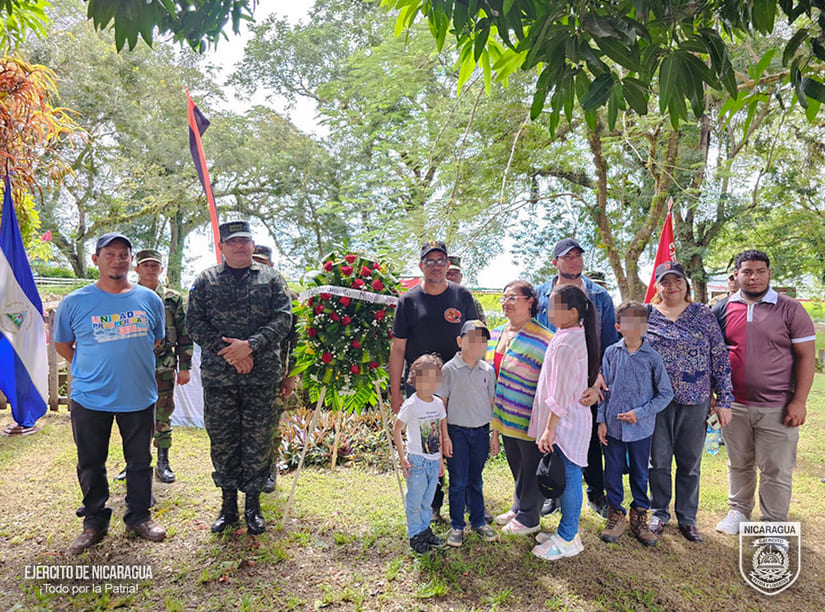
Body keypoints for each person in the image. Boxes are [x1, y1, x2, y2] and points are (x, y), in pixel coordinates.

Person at [54, 232, 167, 554]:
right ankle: (94, 521)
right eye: (110, 254)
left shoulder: (149, 300)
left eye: (124, 254)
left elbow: (155, 339)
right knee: (90, 462)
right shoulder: (75, 302)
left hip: (139, 395)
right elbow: (63, 344)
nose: (118, 259)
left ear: (131, 260)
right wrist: (92, 367)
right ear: (96, 260)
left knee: (140, 461)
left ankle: (139, 516)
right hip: (90, 397)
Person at [186, 221, 292, 535]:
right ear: (222, 247)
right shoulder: (205, 280)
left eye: (245, 241)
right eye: (233, 242)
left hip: (262, 377)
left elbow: (284, 319)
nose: (240, 246)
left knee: (259, 441)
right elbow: (195, 323)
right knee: (223, 441)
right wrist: (230, 353)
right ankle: (228, 505)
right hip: (221, 378)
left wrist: (251, 346)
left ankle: (253, 506)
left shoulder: (272, 279)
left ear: (251, 244)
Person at [712, 250, 815, 534]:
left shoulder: (790, 308)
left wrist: (799, 401)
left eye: (759, 271)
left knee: (776, 469)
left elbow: (806, 357)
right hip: (734, 405)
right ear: (736, 275)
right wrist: (715, 396)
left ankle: (773, 525)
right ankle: (738, 512)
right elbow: (712, 356)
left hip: (778, 406)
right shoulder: (721, 310)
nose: (753, 277)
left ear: (769, 273)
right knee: (739, 462)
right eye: (746, 272)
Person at [645, 261, 734, 543]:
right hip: (656, 402)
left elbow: (720, 358)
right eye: (665, 282)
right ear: (657, 286)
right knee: (657, 461)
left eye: (677, 281)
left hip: (695, 401)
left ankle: (687, 517)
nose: (672, 287)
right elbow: (625, 350)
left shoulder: (702, 314)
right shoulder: (645, 314)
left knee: (690, 462)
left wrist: (725, 400)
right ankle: (659, 512)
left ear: (686, 284)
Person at [390, 240, 477, 523]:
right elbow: (398, 349)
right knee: (429, 444)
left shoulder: (462, 296)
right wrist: (395, 392)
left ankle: (464, 500)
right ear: (421, 266)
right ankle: (433, 502)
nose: (437, 265)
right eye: (430, 261)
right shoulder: (408, 301)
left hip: (457, 382)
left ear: (448, 265)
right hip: (422, 385)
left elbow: (474, 340)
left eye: (441, 260)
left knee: (460, 439)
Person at [535, 238, 618, 516]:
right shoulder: (541, 295)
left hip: (585, 386)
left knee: (590, 440)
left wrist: (596, 381)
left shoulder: (599, 296)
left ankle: (595, 492)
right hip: (553, 381)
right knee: (551, 438)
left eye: (577, 256)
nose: (574, 261)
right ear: (554, 262)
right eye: (567, 256)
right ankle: (552, 492)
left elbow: (606, 344)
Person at [531, 284, 600, 560]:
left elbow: (558, 392)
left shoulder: (566, 342)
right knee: (570, 475)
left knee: (570, 478)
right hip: (571, 418)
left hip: (566, 422)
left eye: (554, 306)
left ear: (571, 312)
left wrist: (550, 428)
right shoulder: (572, 334)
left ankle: (568, 537)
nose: (547, 310)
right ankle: (567, 530)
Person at [597, 301, 673, 547]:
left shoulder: (653, 358)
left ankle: (640, 516)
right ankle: (615, 514)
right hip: (613, 428)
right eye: (628, 323)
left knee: (640, 473)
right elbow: (603, 391)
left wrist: (640, 413)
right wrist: (601, 420)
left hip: (641, 430)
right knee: (612, 471)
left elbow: (665, 394)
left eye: (640, 323)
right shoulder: (611, 353)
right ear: (618, 326)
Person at [486, 280, 554, 535]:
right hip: (503, 414)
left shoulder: (545, 338)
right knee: (516, 463)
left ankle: (529, 517)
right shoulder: (495, 333)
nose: (506, 302)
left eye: (513, 297)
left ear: (530, 302)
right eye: (504, 297)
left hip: (530, 415)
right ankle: (518, 507)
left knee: (531, 464)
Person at [134, 249, 193, 483]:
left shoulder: (173, 298)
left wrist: (185, 366)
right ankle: (135, 462)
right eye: (145, 265)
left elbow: (184, 333)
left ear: (161, 269)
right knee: (133, 414)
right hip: (133, 364)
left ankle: (163, 460)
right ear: (136, 269)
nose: (150, 269)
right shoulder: (126, 295)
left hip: (163, 363)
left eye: (154, 265)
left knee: (163, 411)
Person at [439, 320, 499, 547]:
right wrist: (445, 437)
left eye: (482, 340)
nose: (477, 344)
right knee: (458, 482)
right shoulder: (449, 369)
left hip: (481, 432)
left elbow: (492, 403)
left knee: (476, 480)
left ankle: (478, 521)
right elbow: (441, 406)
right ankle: (457, 525)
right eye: (471, 339)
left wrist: (494, 434)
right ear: (459, 341)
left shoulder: (488, 370)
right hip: (456, 433)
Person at [252, 244, 298, 494]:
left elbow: (297, 342)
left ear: (271, 265)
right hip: (243, 370)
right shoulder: (240, 292)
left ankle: (270, 469)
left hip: (274, 371)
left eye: (263, 262)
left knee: (270, 423)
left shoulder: (286, 296)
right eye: (254, 260)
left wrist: (290, 377)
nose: (258, 266)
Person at [392, 354, 448, 553]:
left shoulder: (438, 404)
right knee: (414, 502)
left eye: (435, 378)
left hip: (433, 463)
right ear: (415, 379)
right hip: (417, 462)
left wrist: (440, 460)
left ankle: (425, 531)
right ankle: (415, 535)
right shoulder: (411, 405)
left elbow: (439, 435)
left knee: (427, 501)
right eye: (426, 378)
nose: (431, 383)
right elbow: (396, 430)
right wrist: (402, 457)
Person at [447, 255, 487, 324]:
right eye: (448, 273)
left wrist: (469, 335)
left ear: (461, 276)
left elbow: (479, 328)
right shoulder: (433, 299)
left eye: (455, 274)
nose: (451, 277)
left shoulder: (470, 301)